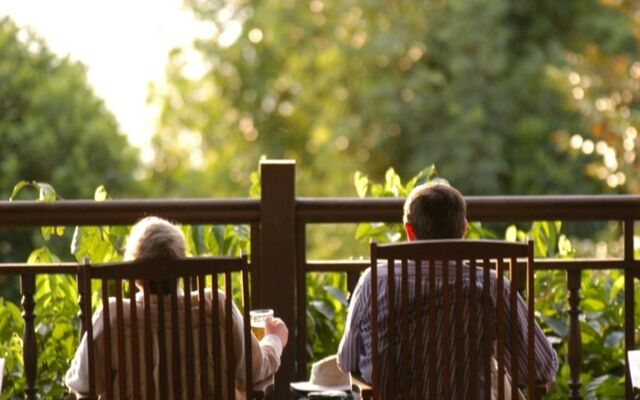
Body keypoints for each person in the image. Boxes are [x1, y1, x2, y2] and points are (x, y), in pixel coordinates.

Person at [337, 183, 558, 398]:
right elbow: (542, 368)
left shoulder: (374, 282)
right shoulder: (492, 286)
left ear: (409, 230)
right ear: (464, 229)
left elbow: (347, 361)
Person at [65, 216, 288, 399]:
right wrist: (274, 339)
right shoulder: (217, 307)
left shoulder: (112, 316)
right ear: (185, 267)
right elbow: (254, 371)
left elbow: (82, 384)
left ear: (133, 275)